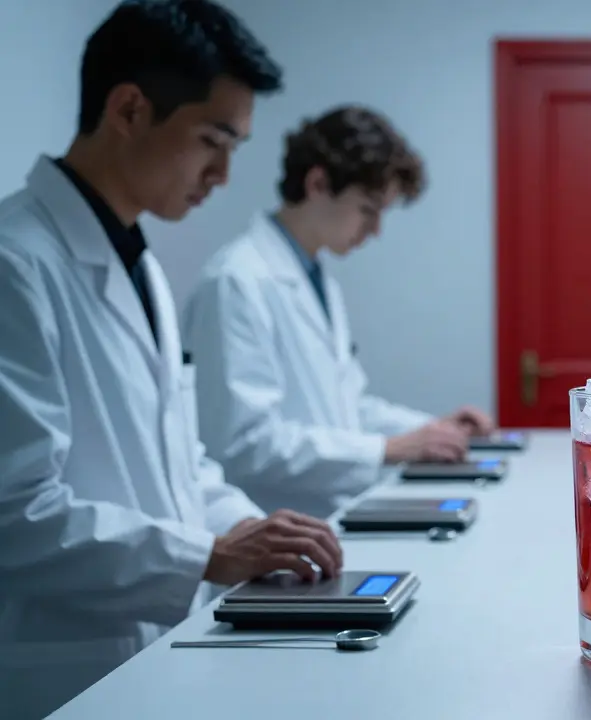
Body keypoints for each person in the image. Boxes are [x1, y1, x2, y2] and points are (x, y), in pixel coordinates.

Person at [0, 2, 345, 718]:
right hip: (62, 671)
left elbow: (178, 462)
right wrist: (207, 556)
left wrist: (267, 538)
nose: (221, 174)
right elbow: (15, 514)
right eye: (212, 140)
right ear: (128, 109)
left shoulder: (137, 262)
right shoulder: (14, 262)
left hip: (154, 650)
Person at [181, 105, 496, 520]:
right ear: (317, 183)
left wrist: (433, 430)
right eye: (368, 209)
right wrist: (389, 449)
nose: (376, 230)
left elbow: (347, 407)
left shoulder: (314, 276)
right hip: (267, 528)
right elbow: (243, 443)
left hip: (326, 521)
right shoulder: (237, 280)